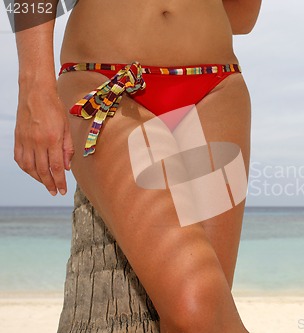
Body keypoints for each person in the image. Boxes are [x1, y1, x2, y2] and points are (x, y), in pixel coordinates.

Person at [14, 0, 261, 332]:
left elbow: (242, 18)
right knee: (196, 306)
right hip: (103, 82)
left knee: (204, 314)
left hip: (215, 88)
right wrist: (34, 88)